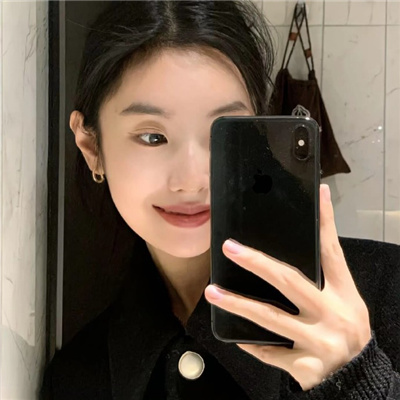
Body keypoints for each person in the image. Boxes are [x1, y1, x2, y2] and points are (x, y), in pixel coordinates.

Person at [41, 1, 400, 399]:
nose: (191, 181)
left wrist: (358, 379)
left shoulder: (388, 290)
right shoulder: (77, 378)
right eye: (152, 137)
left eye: (221, 133)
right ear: (92, 146)